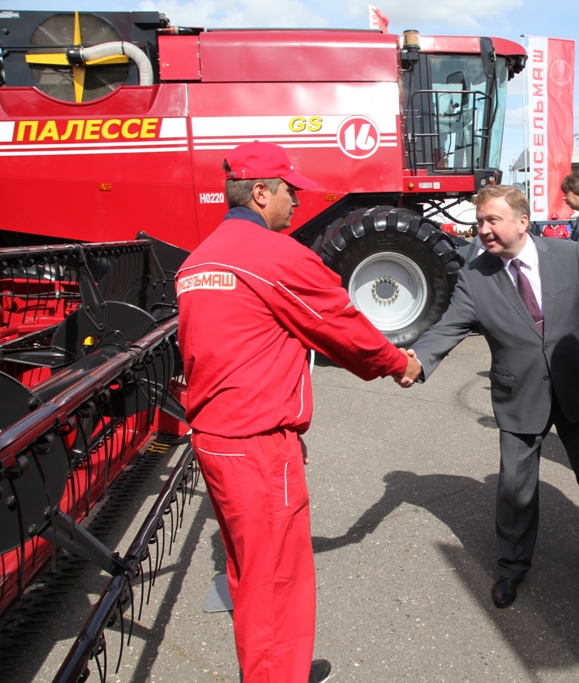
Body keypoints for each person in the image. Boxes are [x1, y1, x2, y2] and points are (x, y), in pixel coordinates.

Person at [177, 141, 420, 683]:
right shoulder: (274, 255)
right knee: (276, 579)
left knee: (246, 571)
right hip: (260, 446)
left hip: (216, 437)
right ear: (260, 192)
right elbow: (342, 325)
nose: (297, 203)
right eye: (290, 191)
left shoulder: (199, 260)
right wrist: (398, 362)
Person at [405, 185, 579, 609]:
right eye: (480, 221)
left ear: (522, 222)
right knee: (514, 488)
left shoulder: (566, 257)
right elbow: (451, 326)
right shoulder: (475, 274)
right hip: (518, 394)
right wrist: (417, 364)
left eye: (493, 220)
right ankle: (511, 567)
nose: (483, 229)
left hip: (576, 386)